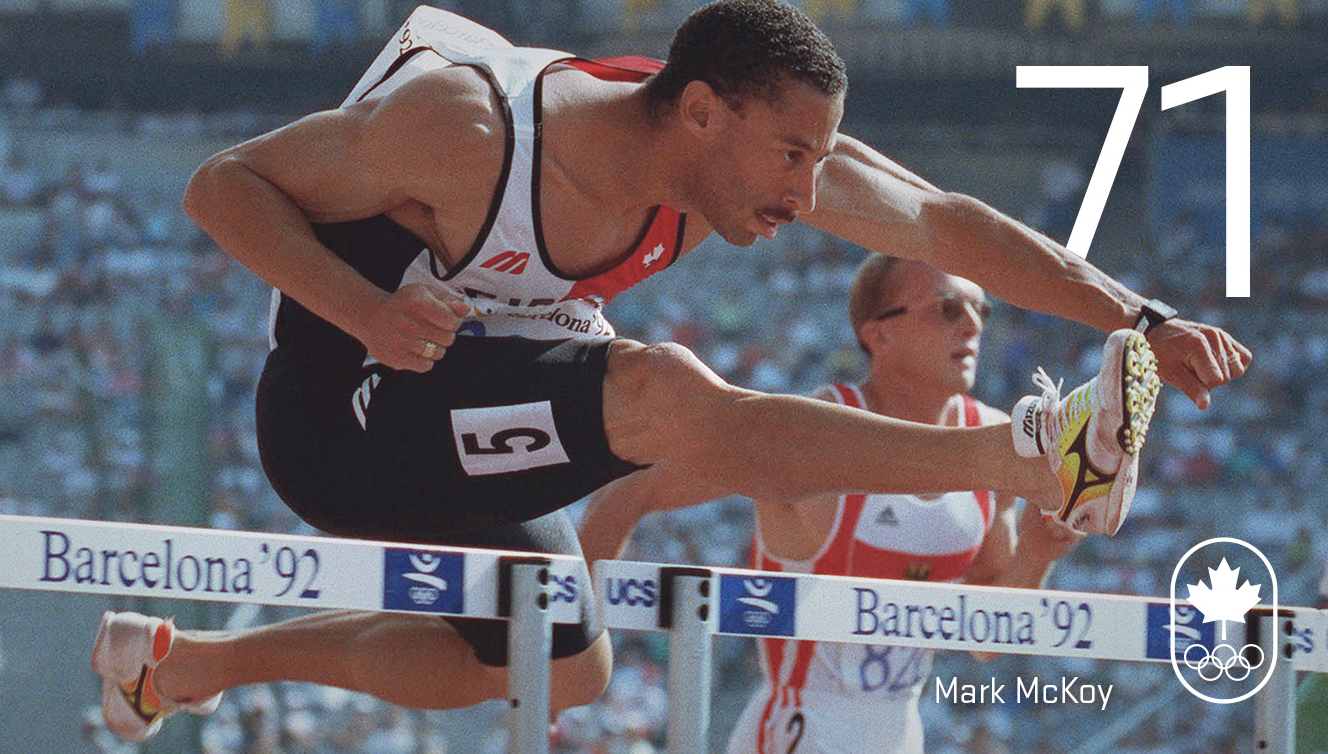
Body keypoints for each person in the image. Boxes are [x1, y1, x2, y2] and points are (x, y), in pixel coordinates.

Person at [90, 0, 1248, 743]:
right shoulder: (467, 129)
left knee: (566, 664)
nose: (804, 196)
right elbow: (221, 186)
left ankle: (186, 666)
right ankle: (1020, 456)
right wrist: (364, 308)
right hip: (340, 412)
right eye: (791, 156)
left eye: (816, 160)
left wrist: (1137, 314)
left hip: (459, 407)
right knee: (656, 391)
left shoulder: (726, 175)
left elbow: (940, 219)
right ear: (698, 111)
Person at [580, 256, 1084, 753]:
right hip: (799, 731)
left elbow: (985, 639)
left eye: (981, 309)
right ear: (878, 336)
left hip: (899, 731)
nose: (973, 324)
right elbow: (632, 489)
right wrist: (568, 645)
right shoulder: (817, 428)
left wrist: (1037, 553)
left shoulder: (992, 441)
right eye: (948, 307)